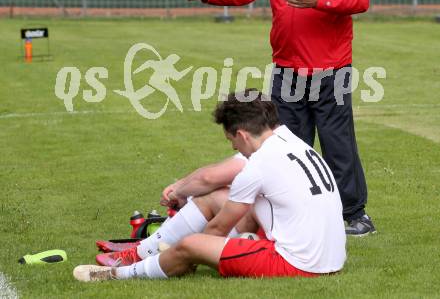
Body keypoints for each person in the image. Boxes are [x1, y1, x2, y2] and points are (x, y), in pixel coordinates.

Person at [177, 0, 374, 235]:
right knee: (283, 145)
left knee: (337, 142)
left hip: (332, 70)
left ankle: (355, 215)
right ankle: (289, 212)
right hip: (287, 71)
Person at [73, 90, 346, 282]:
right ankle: (141, 251)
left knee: (191, 244)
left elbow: (215, 230)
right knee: (217, 200)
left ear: (241, 134)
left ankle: (118, 274)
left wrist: (190, 253)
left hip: (297, 263)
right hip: (327, 255)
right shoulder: (290, 140)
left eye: (232, 141)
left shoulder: (259, 163)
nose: (233, 147)